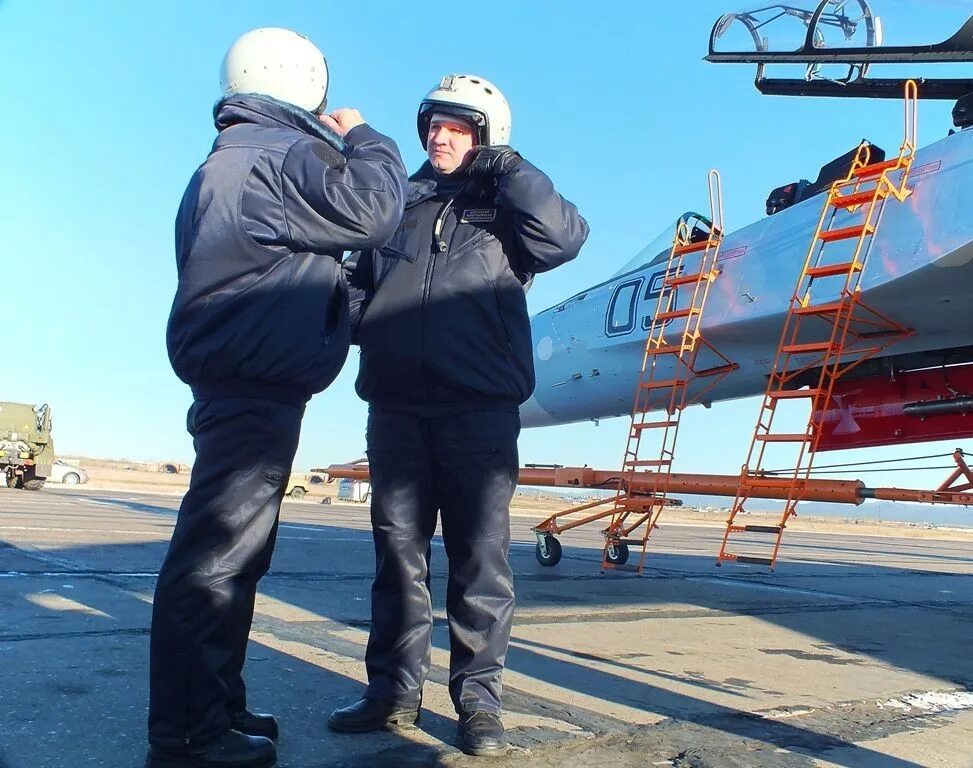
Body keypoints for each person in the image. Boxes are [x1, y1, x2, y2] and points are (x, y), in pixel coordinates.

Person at [148, 27, 407, 768]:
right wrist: (365, 136)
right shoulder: (283, 155)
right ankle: (188, 738)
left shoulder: (229, 161)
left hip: (241, 378)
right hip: (253, 383)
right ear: (304, 82)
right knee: (216, 561)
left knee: (234, 557)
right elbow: (375, 211)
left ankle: (216, 705)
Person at [329, 74, 588, 756]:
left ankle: (477, 705)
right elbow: (356, 294)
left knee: (479, 562)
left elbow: (562, 238)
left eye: (458, 127)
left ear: (486, 134)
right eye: (432, 126)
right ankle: (390, 694)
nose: (439, 137)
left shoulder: (507, 207)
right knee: (397, 560)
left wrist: (507, 166)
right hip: (395, 409)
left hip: (478, 412)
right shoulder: (398, 205)